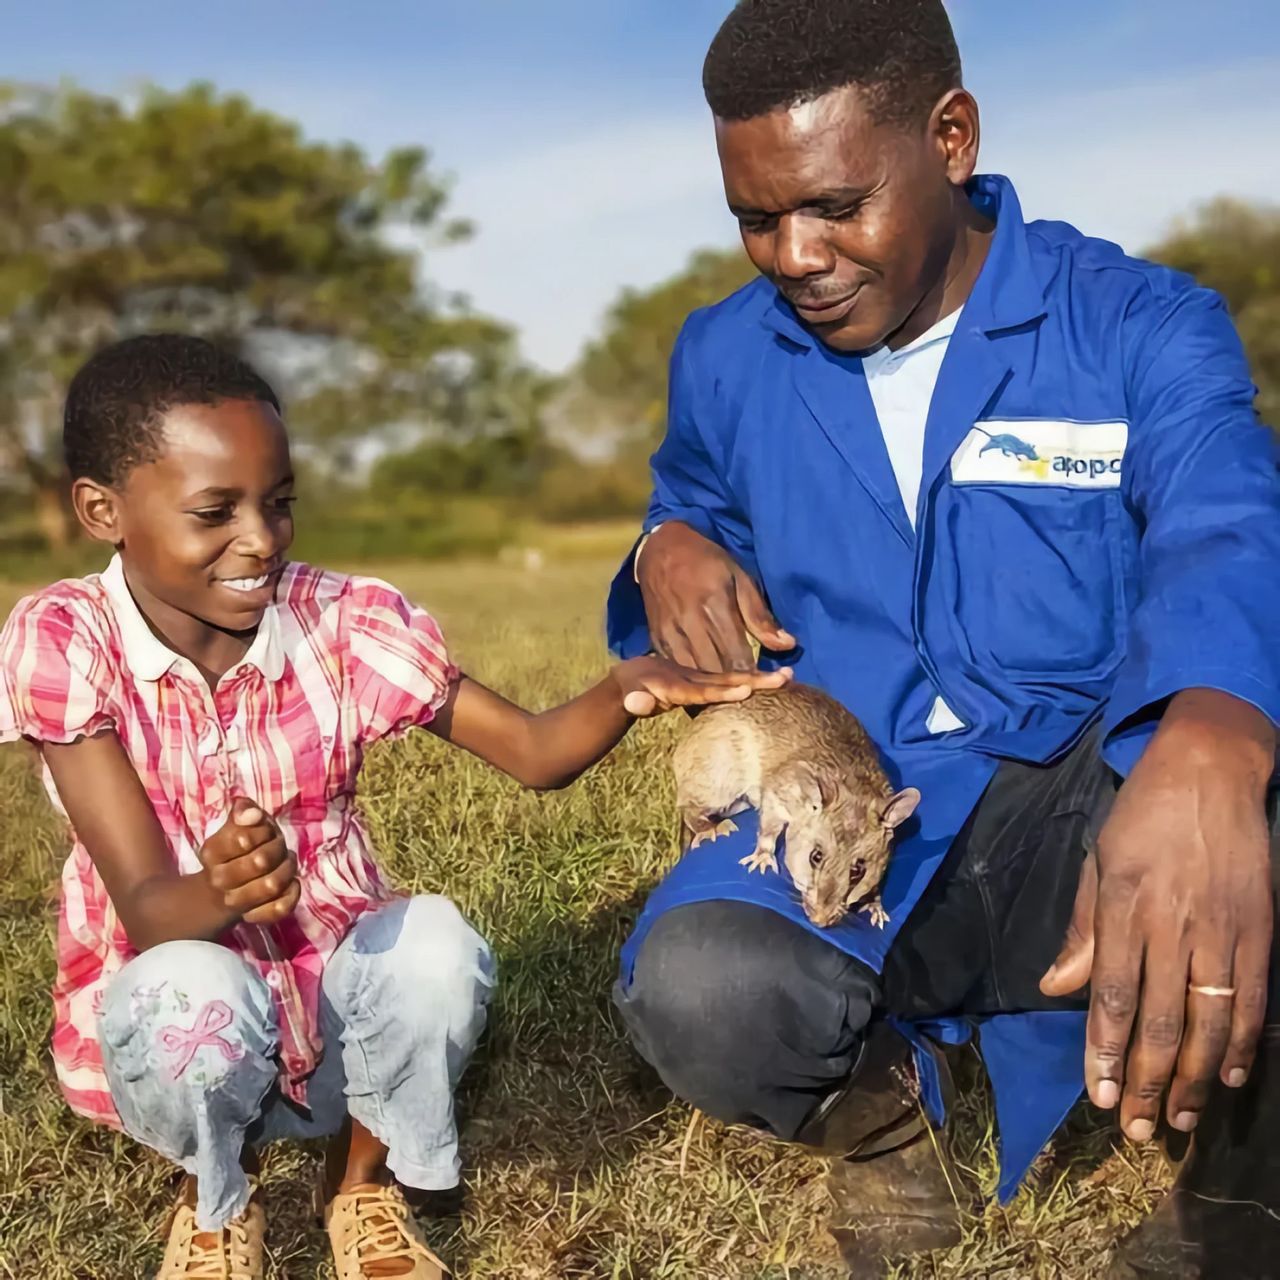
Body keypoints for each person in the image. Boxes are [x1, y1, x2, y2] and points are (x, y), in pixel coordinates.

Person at [603, 1, 1280, 1275]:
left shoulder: (1136, 324)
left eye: (834, 205)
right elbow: (687, 495)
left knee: (1255, 776)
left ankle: (1238, 1191)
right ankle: (882, 1124)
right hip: (854, 824)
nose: (793, 254)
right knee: (702, 983)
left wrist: (1207, 736)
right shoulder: (722, 355)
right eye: (755, 218)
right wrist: (663, 545)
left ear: (951, 136)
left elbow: (1227, 524)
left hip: (1080, 819)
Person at [0, 334, 787, 1280]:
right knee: (185, 993)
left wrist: (629, 686)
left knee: (434, 949)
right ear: (101, 510)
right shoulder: (65, 641)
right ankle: (215, 1199)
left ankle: (361, 1186)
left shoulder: (343, 622)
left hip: (337, 1005)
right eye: (215, 511)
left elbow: (533, 754)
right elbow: (147, 907)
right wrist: (223, 885)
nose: (261, 538)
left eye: (278, 503)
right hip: (185, 1009)